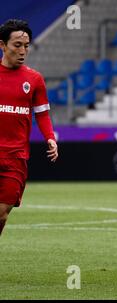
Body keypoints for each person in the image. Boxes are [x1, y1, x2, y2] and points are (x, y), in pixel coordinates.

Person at [0, 19, 58, 236]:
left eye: (26, 45)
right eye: (17, 45)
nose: (23, 50)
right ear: (2, 45)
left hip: (16, 156)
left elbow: (42, 113)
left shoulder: (34, 79)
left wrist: (50, 137)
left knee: (2, 213)